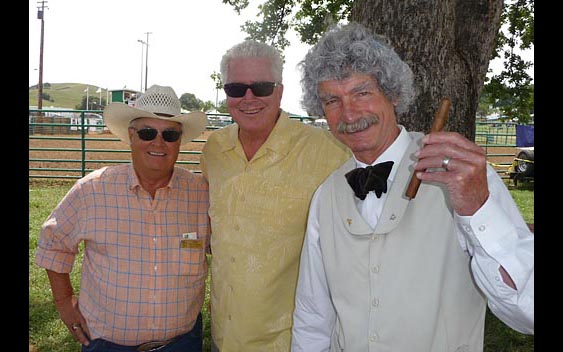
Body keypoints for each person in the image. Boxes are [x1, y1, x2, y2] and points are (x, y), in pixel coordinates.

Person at [291, 22, 534, 351]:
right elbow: (313, 316)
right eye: (332, 100)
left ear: (392, 94)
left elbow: (526, 313)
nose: (349, 113)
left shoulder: (464, 178)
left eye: (362, 92)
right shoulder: (326, 196)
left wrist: (478, 209)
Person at [35, 85, 210, 352]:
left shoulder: (201, 194)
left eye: (170, 134)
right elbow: (53, 243)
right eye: (147, 132)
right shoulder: (93, 190)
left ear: (179, 140)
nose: (158, 142)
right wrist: (64, 303)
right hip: (107, 345)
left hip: (182, 343)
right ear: (131, 136)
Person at [200, 40, 350, 351]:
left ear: (279, 91)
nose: (249, 98)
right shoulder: (214, 150)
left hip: (289, 341)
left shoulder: (328, 153)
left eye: (262, 87)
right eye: (236, 89)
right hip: (223, 337)